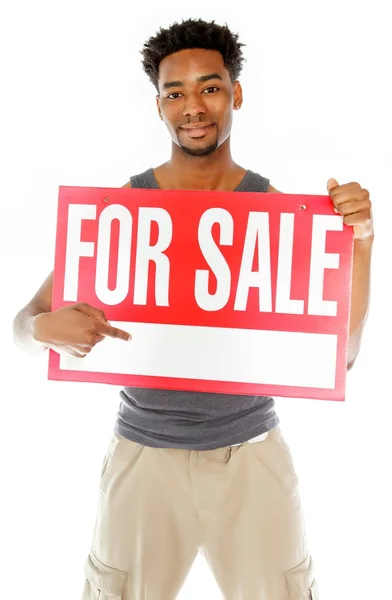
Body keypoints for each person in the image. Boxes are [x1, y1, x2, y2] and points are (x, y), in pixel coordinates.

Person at [13, 18, 374, 600]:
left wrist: (360, 246)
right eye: (174, 92)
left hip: (251, 456)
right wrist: (41, 329)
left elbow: (344, 358)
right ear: (158, 106)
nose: (193, 107)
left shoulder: (277, 215)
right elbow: (21, 328)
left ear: (235, 93)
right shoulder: (124, 212)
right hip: (142, 452)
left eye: (209, 87)